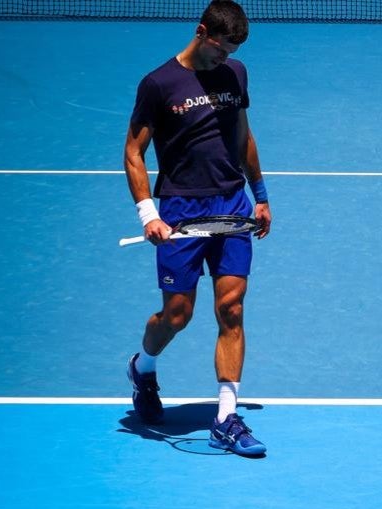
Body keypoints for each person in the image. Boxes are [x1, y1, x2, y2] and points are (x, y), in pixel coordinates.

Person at [124, 0, 272, 456]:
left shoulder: (236, 74)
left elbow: (243, 135)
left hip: (231, 204)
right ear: (202, 31)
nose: (224, 58)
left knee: (231, 309)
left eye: (231, 52)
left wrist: (260, 195)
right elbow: (134, 151)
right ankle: (143, 368)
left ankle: (226, 419)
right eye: (220, 48)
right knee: (178, 315)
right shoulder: (159, 84)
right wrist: (149, 214)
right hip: (181, 210)